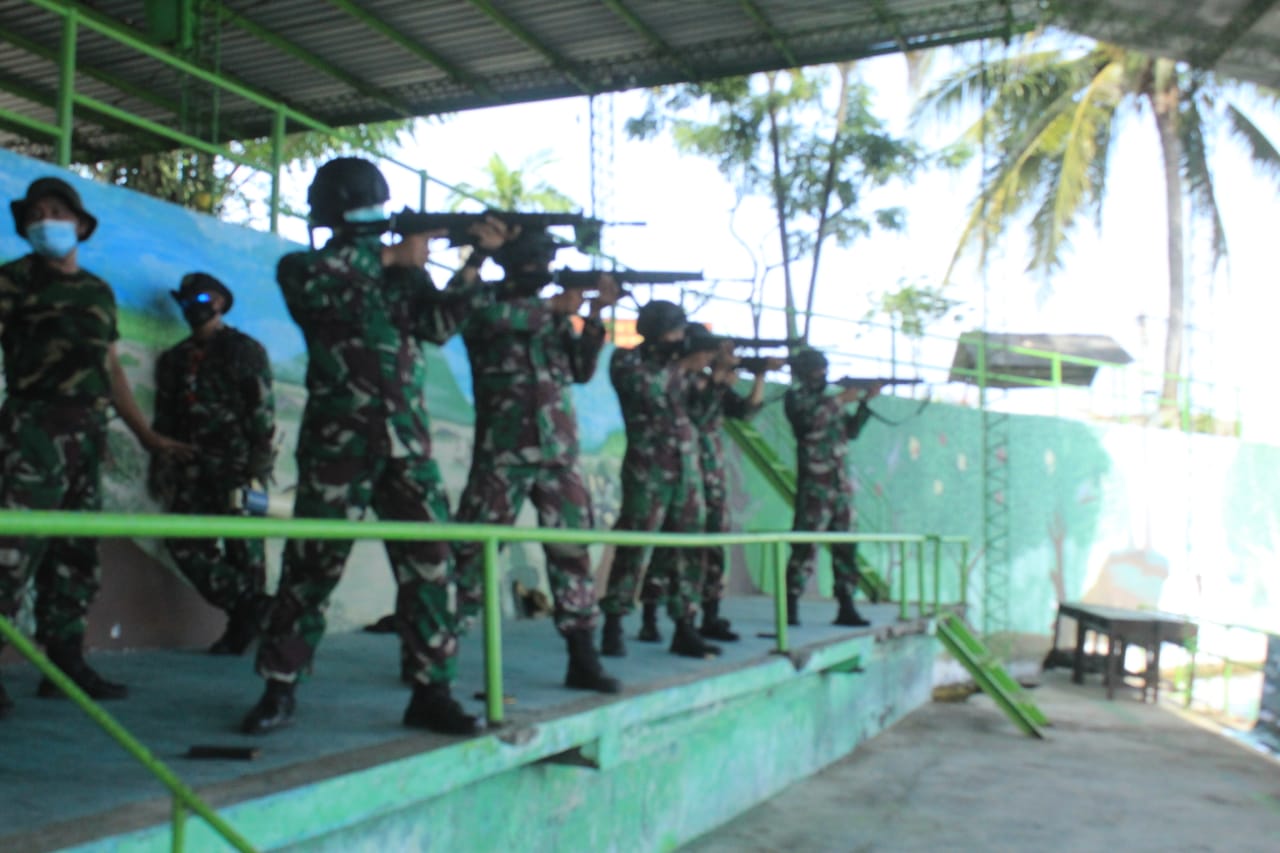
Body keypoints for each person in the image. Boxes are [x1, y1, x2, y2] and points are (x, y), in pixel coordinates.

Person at [240, 157, 500, 737]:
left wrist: (474, 261)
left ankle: (432, 690)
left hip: (407, 444)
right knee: (312, 570)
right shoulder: (306, 267)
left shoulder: (403, 276)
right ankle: (278, 687)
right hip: (339, 443)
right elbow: (318, 291)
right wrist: (389, 255)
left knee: (431, 569)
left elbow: (436, 327)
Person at [0, 176, 190, 719]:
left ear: (79, 224)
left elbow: (110, 371)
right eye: (35, 212)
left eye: (56, 210)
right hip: (29, 433)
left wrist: (146, 436)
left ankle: (64, 666)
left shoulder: (98, 291)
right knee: (10, 556)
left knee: (75, 554)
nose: (45, 219)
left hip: (88, 435)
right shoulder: (11, 283)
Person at [447, 227, 621, 694]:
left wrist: (597, 314)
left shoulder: (554, 317)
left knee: (572, 554)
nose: (544, 270)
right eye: (538, 261)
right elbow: (485, 318)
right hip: (503, 451)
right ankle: (435, 656)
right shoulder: (485, 302)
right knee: (472, 554)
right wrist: (554, 308)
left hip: (558, 454)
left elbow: (582, 371)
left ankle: (582, 657)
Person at [149, 272, 275, 655]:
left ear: (220, 302)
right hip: (191, 467)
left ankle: (241, 631)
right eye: (185, 300)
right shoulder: (175, 359)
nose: (193, 306)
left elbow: (261, 408)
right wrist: (162, 462)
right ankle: (252, 606)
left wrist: (258, 464)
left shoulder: (243, 349)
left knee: (246, 549)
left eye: (201, 298)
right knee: (185, 543)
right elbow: (165, 415)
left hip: (237, 465)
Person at [638, 326, 782, 644]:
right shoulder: (685, 381)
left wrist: (757, 375)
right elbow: (698, 415)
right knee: (671, 549)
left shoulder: (711, 383)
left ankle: (709, 614)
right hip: (686, 472)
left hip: (712, 474)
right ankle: (651, 615)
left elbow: (745, 412)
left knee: (714, 546)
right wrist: (719, 377)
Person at [598, 300, 721, 659]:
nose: (681, 338)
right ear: (658, 332)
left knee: (687, 551)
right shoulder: (627, 361)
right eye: (676, 331)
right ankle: (614, 623)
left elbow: (702, 415)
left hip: (686, 471)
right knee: (634, 547)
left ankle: (685, 625)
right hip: (647, 469)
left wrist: (715, 379)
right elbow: (647, 394)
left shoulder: (680, 369)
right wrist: (682, 366)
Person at [784, 348, 878, 628]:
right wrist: (839, 400)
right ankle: (790, 604)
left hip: (839, 486)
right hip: (815, 486)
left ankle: (846, 604)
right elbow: (808, 426)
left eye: (823, 369)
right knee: (804, 547)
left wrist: (864, 403)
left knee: (846, 545)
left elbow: (850, 431)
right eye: (816, 370)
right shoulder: (797, 398)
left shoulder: (828, 402)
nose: (822, 375)